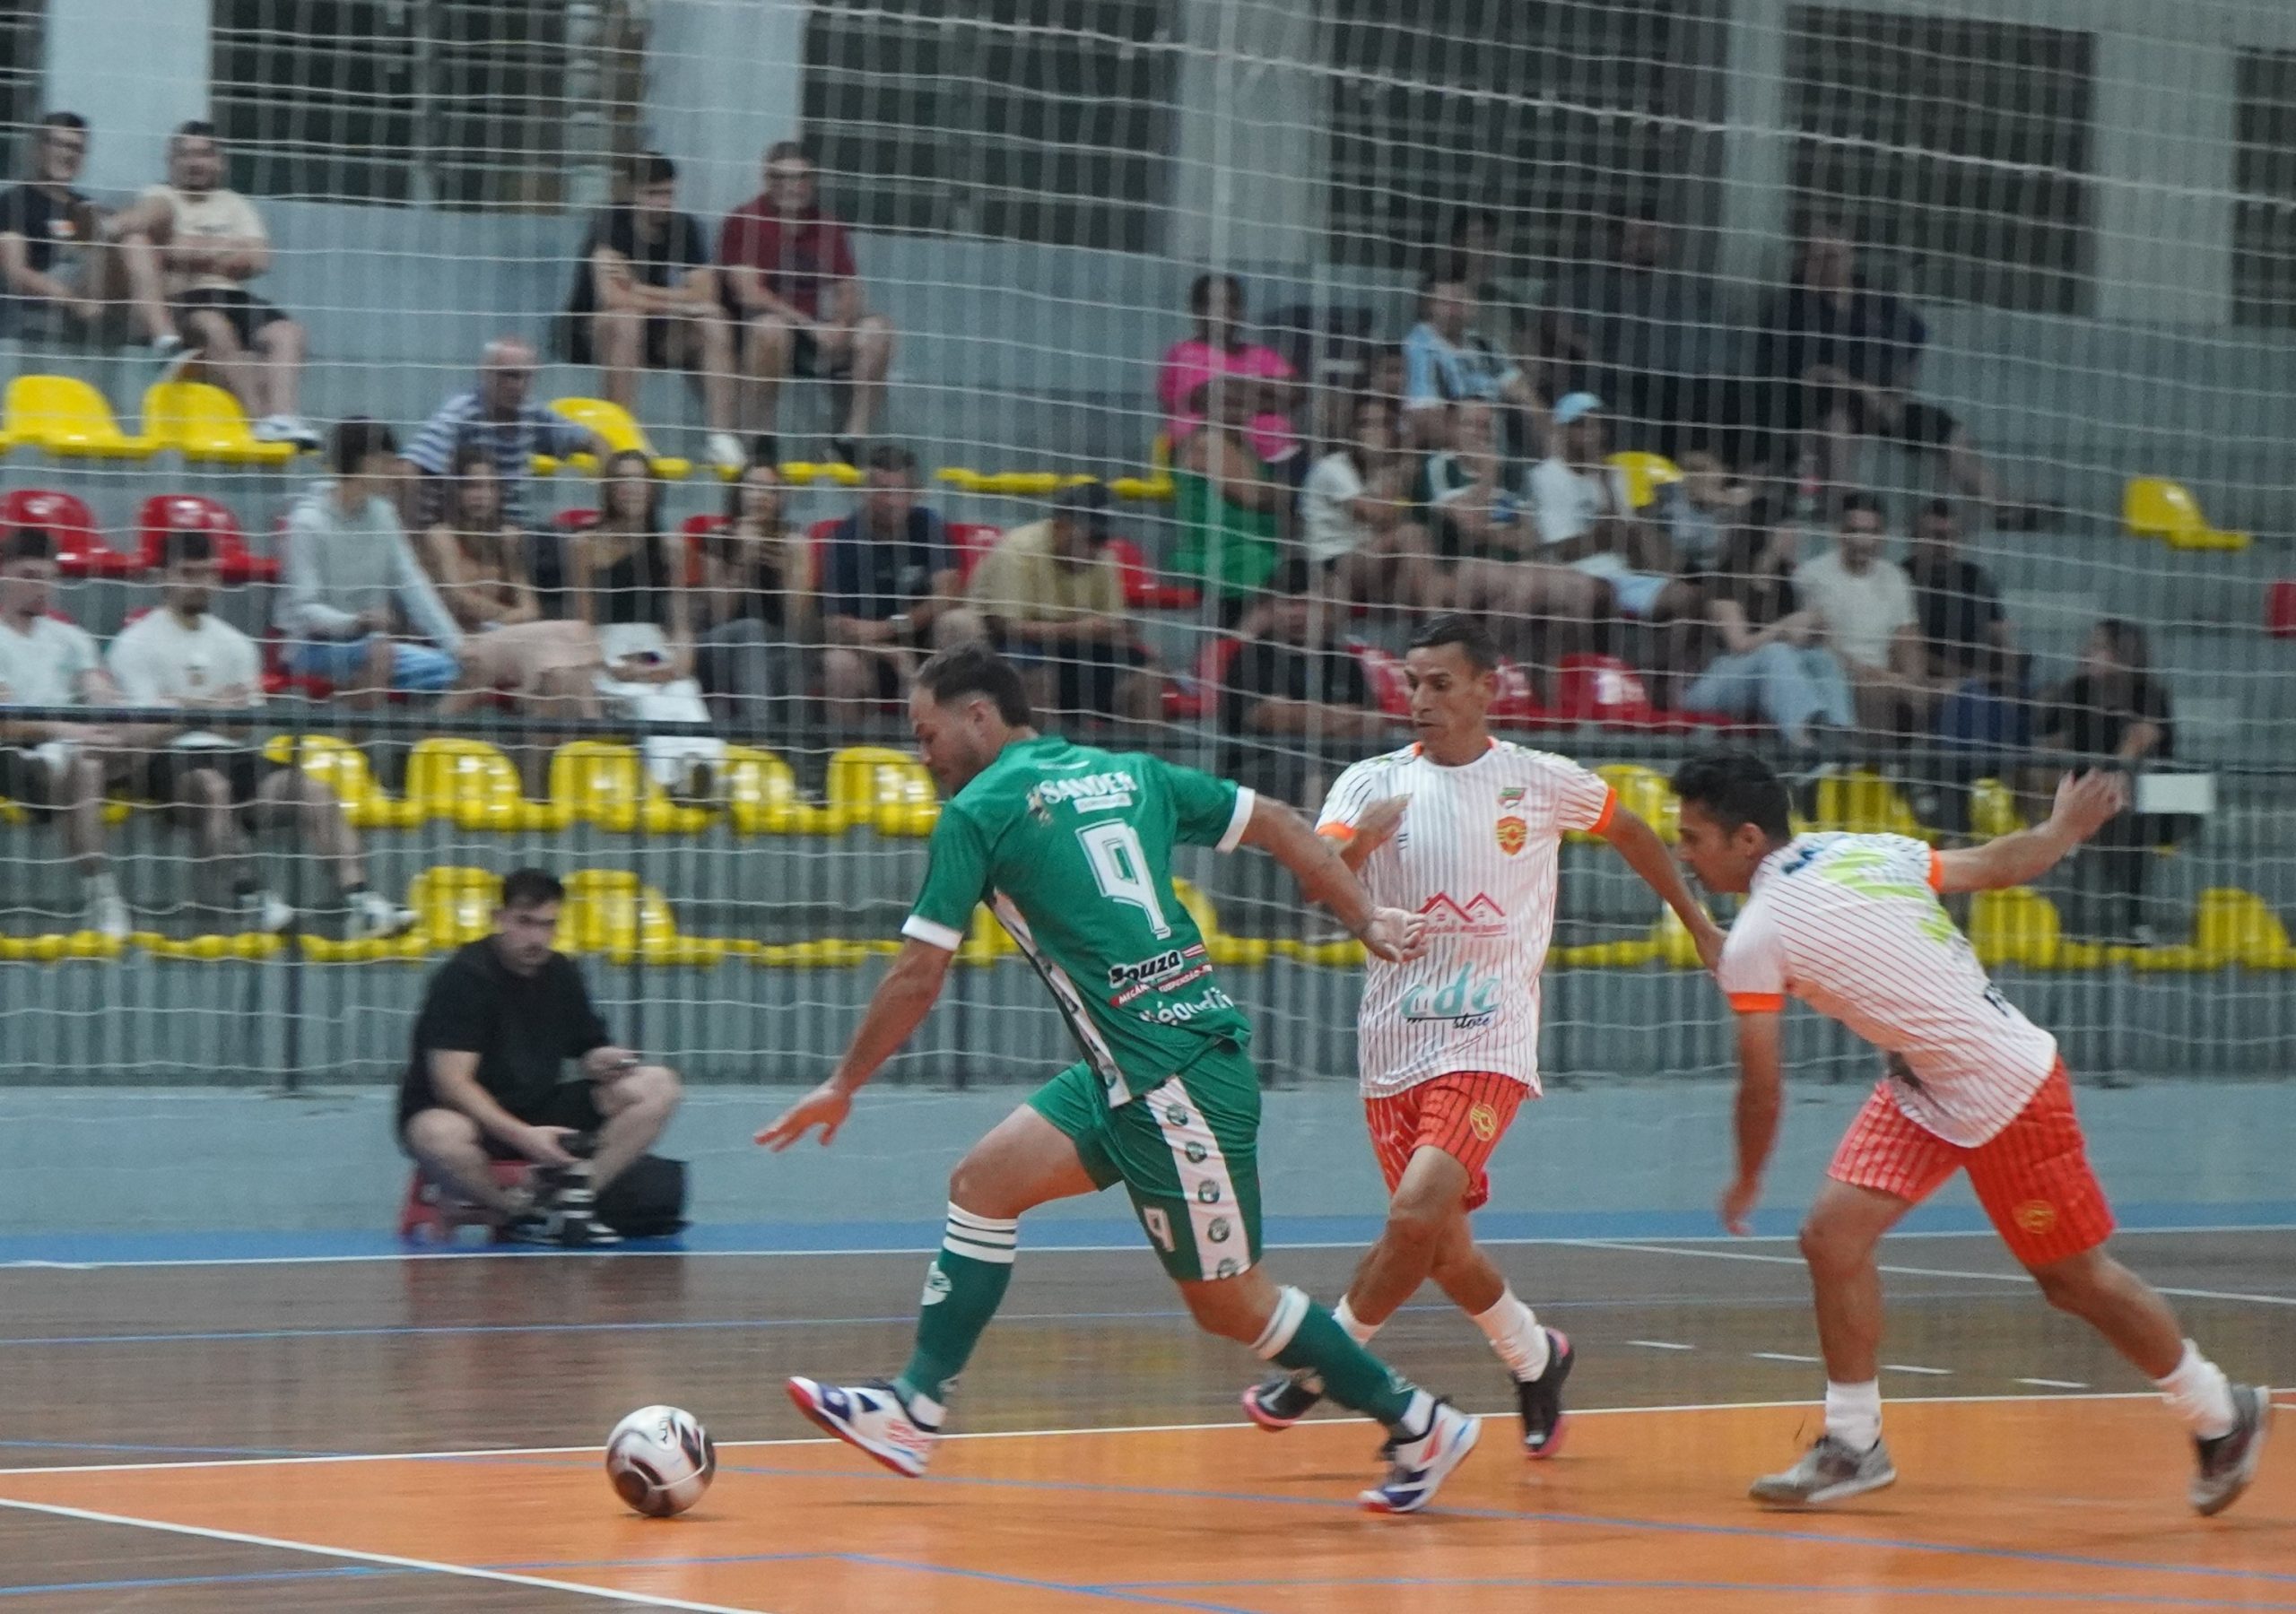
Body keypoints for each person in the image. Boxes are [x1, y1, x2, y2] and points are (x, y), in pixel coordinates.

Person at [761, 644, 1483, 1514]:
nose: (924, 756)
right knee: (983, 1184)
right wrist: (1363, 915)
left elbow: (917, 975)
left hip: (1171, 1079)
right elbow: (1282, 823)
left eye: (926, 734)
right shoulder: (1127, 772)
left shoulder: (978, 810)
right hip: (1129, 1068)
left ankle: (1419, 1420)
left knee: (1230, 1305)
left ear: (979, 716)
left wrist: (842, 1082)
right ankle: (913, 1409)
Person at [1673, 751, 2270, 1514]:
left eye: (1694, 838)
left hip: (2006, 1087)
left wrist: (1749, 1177)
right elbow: (1993, 864)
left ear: (1748, 839)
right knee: (1832, 1237)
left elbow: (1762, 1082)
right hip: (1924, 1085)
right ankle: (1853, 1445)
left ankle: (2220, 1412)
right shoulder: (1856, 848)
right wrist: (2058, 829)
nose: (1685, 855)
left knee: (2073, 1280)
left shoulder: (1760, 932)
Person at [1242, 615, 1723, 1451]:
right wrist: (1361, 842)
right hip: (1396, 1042)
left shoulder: (1540, 781)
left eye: (1437, 683)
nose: (1418, 699)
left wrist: (1700, 923)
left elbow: (1634, 832)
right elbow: (1316, 885)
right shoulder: (1368, 783)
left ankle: (1321, 1367)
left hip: (1491, 1037)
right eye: (1410, 682)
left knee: (1412, 1213)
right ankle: (1537, 1356)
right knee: (1440, 1249)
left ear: (1484, 689)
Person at [108, 529, 413, 939]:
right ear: (162, 576)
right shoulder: (134, 644)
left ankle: (362, 901)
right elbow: (141, 734)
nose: (200, 583)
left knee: (314, 790)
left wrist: (183, 707)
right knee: (211, 786)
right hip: (168, 764)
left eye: (207, 574)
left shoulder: (234, 644)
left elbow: (241, 724)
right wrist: (209, 708)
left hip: (231, 755)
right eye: (188, 573)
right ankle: (251, 898)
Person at [400, 866, 683, 1247]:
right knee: (438, 1133)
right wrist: (524, 1137)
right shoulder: (464, 977)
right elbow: (452, 1084)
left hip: (538, 1107)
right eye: (525, 923)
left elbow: (587, 1046)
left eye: (547, 925)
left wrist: (602, 1058)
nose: (537, 937)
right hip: (470, 1115)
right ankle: (513, 1212)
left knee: (658, 1085)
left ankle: (569, 1203)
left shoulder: (561, 971)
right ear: (498, 919)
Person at [1758, 221, 2039, 526]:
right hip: (1821, 406)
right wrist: (1861, 388)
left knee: (1949, 432)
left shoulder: (1875, 300)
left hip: (1884, 402)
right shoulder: (1792, 307)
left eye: (1835, 257)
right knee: (1836, 419)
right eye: (1818, 258)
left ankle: (2001, 504)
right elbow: (1810, 374)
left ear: (1850, 254)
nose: (1826, 266)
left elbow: (1912, 341)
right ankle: (1842, 507)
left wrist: (1893, 390)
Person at [106, 121, 317, 447]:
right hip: (186, 298)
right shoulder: (159, 198)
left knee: (289, 333)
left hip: (233, 296)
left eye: (204, 154)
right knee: (214, 326)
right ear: (171, 162)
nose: (194, 162)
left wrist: (190, 249)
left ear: (220, 161)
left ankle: (283, 416)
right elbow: (165, 251)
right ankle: (260, 419)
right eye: (185, 154)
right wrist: (225, 251)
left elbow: (259, 259)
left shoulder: (234, 203)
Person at [561, 151, 744, 475]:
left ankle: (722, 439)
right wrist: (681, 300)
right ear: (633, 191)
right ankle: (624, 436)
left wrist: (640, 290)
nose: (663, 202)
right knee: (626, 320)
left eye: (669, 193)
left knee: (714, 321)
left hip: (657, 330)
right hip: (596, 331)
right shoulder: (609, 223)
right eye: (654, 194)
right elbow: (613, 297)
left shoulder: (684, 227)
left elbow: (708, 295)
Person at [718, 141, 896, 464]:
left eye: (799, 178)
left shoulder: (828, 225)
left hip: (815, 335)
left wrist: (841, 324)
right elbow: (748, 292)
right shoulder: (745, 221)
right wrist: (809, 324)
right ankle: (761, 439)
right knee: (771, 328)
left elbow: (848, 288)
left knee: (878, 329)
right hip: (761, 335)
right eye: (781, 178)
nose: (791, 187)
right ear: (767, 180)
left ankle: (850, 441)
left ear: (812, 182)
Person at [0, 527, 134, 938]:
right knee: (83, 767)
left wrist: (109, 711)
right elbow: (8, 724)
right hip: (16, 753)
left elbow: (100, 692)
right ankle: (103, 891)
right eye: (30, 575)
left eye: (48, 576)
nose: (43, 586)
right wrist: (70, 730)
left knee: (117, 745)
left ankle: (102, 895)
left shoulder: (70, 638)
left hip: (73, 748)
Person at [277, 419, 464, 705]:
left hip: (375, 646)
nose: (396, 472)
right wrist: (355, 623)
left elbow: (413, 584)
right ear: (366, 464)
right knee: (379, 652)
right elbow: (304, 611)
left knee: (462, 669)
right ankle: (358, 746)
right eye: (389, 462)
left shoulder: (384, 515)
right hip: (311, 648)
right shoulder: (307, 523)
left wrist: (458, 646)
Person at [570, 450, 718, 795]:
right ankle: (674, 783)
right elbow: (582, 623)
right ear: (609, 489)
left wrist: (680, 662)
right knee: (644, 699)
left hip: (654, 646)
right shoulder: (584, 545)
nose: (632, 488)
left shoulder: (671, 547)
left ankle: (706, 774)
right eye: (623, 479)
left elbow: (680, 624)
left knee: (684, 693)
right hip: (608, 650)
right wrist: (610, 665)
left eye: (640, 479)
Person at [419, 445, 603, 722]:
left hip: (506, 642)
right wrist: (508, 617)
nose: (482, 496)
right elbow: (460, 598)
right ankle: (598, 730)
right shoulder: (440, 536)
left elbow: (532, 608)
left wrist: (502, 620)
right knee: (571, 632)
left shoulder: (508, 537)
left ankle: (576, 750)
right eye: (473, 487)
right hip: (459, 642)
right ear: (456, 491)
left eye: (490, 487)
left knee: (562, 678)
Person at [2032, 620, 2177, 943]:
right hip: (2086, 790)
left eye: (2097, 646)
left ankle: (2133, 918)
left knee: (2123, 805)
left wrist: (2117, 767)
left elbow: (2144, 737)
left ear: (2124, 656)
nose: (2085, 652)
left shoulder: (2149, 695)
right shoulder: (2075, 691)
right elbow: (2042, 743)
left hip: (2154, 795)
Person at [819, 444, 984, 725]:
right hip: (868, 653)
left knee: (961, 622)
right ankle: (847, 758)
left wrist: (893, 627)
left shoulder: (929, 525)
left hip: (927, 646)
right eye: (883, 490)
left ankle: (964, 742)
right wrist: (890, 650)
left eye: (902, 491)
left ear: (916, 493)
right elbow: (835, 626)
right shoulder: (843, 539)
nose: (892, 501)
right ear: (865, 491)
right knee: (838, 663)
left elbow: (950, 594)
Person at [0, 111, 184, 362]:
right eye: (60, 144)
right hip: (60, 288)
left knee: (151, 220)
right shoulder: (15, 201)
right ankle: (163, 337)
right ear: (38, 149)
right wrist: (74, 301)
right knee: (131, 238)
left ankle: (166, 341)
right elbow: (15, 272)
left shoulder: (86, 205)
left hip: (98, 283)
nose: (68, 154)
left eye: (77, 148)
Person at [966, 483, 1157, 723]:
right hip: (1014, 645)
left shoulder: (1104, 558)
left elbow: (1112, 625)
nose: (1095, 549)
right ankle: (1036, 756)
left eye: (1102, 540)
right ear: (1060, 526)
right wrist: (1078, 629)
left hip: (1072, 647)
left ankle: (1143, 760)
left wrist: (1123, 636)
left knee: (1148, 675)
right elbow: (1005, 627)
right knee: (1035, 672)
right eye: (1089, 538)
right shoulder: (1017, 551)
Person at [1221, 558, 1397, 808]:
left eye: (1306, 604)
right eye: (1288, 604)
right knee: (1315, 778)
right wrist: (1346, 716)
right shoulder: (1251, 658)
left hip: (1337, 760)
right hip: (1262, 767)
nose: (1297, 613)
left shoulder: (1342, 660)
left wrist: (1306, 716)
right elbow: (1272, 715)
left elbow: (1376, 723)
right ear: (1270, 608)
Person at [1682, 520, 1855, 754]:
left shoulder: (1787, 584)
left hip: (1765, 679)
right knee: (1775, 652)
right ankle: (1804, 743)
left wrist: (1815, 630)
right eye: (1789, 528)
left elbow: (1798, 645)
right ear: (1765, 533)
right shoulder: (1725, 582)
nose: (1797, 535)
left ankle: (1839, 735)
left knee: (1820, 658)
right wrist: (1783, 628)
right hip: (1713, 681)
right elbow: (1739, 645)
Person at [1528, 392, 1696, 626]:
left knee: (1690, 597)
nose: (1592, 434)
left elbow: (1628, 536)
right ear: (1563, 431)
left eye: (1597, 426)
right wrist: (1612, 534)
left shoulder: (1613, 474)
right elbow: (1565, 550)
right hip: (1575, 577)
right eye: (1582, 426)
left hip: (1621, 574)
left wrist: (1605, 484)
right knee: (1601, 593)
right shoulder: (1545, 477)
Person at [404, 335, 605, 530]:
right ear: (485, 373)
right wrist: (417, 535)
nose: (518, 385)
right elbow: (408, 469)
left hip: (515, 533)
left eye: (527, 377)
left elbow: (595, 441)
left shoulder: (532, 413)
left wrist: (612, 497)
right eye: (509, 375)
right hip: (465, 530)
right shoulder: (462, 412)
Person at [1791, 491, 1930, 736]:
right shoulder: (1811, 575)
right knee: (1872, 691)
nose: (1863, 541)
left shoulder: (1896, 576)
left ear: (1883, 535)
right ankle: (1865, 768)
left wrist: (1912, 680)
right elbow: (1818, 647)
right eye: (1855, 530)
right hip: (1837, 675)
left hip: (1888, 676)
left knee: (1955, 692)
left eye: (1873, 532)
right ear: (1838, 532)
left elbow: (1908, 635)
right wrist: (1876, 675)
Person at [694, 461, 815, 730]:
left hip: (776, 645)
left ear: (780, 498)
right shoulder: (718, 537)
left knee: (785, 657)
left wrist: (788, 574)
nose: (760, 496)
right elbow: (717, 614)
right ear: (738, 492)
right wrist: (742, 561)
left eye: (770, 490)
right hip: (717, 645)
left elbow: (797, 625)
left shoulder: (794, 543)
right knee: (751, 632)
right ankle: (759, 734)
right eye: (753, 487)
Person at [1300, 396, 1439, 611]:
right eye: (1366, 423)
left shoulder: (1387, 471)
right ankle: (1439, 631)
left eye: (1385, 424)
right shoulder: (1333, 468)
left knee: (1452, 588)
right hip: (1333, 567)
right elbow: (1381, 517)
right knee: (1411, 533)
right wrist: (1396, 475)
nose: (1376, 432)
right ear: (1352, 430)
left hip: (1378, 565)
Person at [1171, 375, 1288, 620]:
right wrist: (1299, 493)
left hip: (1249, 553)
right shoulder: (1209, 441)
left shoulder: (1241, 445)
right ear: (1205, 407)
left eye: (1241, 403)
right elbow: (1253, 496)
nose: (1236, 410)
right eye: (1225, 403)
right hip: (1228, 559)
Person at [1157, 272, 1300, 472]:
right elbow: (1212, 400)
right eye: (1216, 304)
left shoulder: (1260, 354)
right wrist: (1268, 395)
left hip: (1280, 458)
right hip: (1211, 463)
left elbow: (1296, 393)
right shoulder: (1184, 355)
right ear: (1198, 310)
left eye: (1233, 304)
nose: (1226, 312)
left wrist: (1234, 388)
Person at [1400, 265, 1546, 450]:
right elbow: (1425, 420)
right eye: (1446, 303)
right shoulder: (1417, 348)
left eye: (1460, 302)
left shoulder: (1484, 346)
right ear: (1429, 306)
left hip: (1494, 447)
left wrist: (1553, 441)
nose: (1454, 311)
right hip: (1440, 454)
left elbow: (1527, 398)